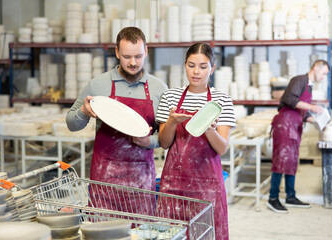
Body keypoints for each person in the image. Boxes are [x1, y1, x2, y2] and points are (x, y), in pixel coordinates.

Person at [66, 27, 167, 213]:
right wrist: (84, 111)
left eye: (138, 56)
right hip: (104, 179)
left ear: (146, 51)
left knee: (140, 233)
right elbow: (71, 124)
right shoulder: (97, 84)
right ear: (117, 52)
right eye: (127, 57)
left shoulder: (158, 88)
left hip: (141, 182)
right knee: (103, 231)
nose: (133, 63)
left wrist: (149, 141)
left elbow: (166, 137)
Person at [155, 43, 236, 239]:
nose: (196, 72)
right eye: (191, 65)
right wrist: (172, 122)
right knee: (172, 234)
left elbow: (222, 147)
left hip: (208, 186)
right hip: (175, 184)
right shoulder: (170, 97)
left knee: (206, 234)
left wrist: (208, 130)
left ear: (212, 68)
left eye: (203, 66)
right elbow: (164, 143)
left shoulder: (221, 101)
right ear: (184, 65)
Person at [267, 60, 330, 214]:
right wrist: (312, 107)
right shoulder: (299, 80)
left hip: (295, 126)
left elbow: (302, 110)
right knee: (281, 160)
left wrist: (315, 120)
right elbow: (289, 99)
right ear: (316, 68)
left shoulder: (309, 86)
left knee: (292, 162)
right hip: (285, 124)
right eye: (324, 73)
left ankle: (290, 196)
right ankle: (273, 198)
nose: (323, 77)